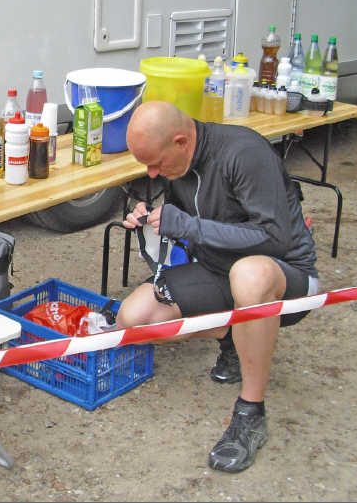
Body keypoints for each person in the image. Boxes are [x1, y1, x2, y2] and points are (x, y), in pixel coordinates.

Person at [117, 101, 319, 473]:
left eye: (157, 164)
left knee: (248, 275)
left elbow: (274, 238)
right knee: (133, 319)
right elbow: (183, 222)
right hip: (215, 270)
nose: (152, 173)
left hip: (283, 274)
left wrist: (188, 226)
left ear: (181, 141)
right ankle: (236, 337)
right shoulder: (177, 163)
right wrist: (149, 218)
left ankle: (251, 413)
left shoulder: (244, 153)